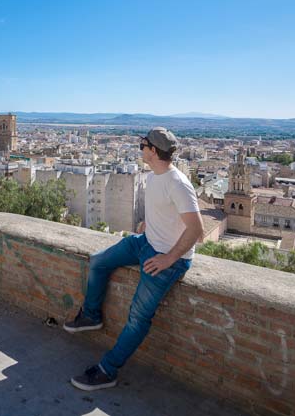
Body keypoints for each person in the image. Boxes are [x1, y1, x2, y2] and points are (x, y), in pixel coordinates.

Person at [65, 127, 204, 391]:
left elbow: (197, 230)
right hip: (146, 242)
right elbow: (165, 214)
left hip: (167, 258)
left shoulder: (178, 183)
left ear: (153, 150)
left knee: (138, 317)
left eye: (143, 144)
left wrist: (168, 259)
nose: (139, 147)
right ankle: (91, 316)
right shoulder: (154, 176)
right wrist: (148, 225)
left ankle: (108, 370)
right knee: (98, 262)